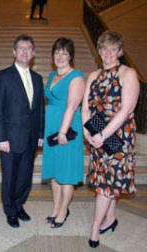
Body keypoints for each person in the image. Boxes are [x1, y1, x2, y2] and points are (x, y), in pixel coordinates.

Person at [82, 30, 140, 248]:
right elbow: (86, 108)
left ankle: (95, 228)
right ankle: (110, 219)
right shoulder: (93, 76)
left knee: (106, 184)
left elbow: (126, 109)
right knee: (106, 180)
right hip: (97, 131)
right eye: (104, 48)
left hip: (118, 135)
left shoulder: (128, 73)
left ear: (120, 51)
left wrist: (103, 135)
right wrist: (88, 133)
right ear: (99, 51)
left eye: (113, 48)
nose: (108, 53)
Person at [0, 34, 44, 228]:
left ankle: (19, 205)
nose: (24, 52)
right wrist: (0, 137)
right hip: (10, 139)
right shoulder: (2, 76)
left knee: (25, 177)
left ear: (33, 53)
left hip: (30, 138)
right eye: (20, 48)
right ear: (14, 52)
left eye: (28, 48)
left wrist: (40, 135)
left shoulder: (38, 79)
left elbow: (39, 110)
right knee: (10, 177)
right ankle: (10, 210)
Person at [42, 37, 85, 228]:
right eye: (57, 52)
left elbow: (72, 106)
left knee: (66, 173)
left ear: (71, 56)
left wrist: (62, 132)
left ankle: (63, 211)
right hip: (51, 127)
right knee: (54, 170)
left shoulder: (76, 77)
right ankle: (56, 206)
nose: (60, 56)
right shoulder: (52, 75)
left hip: (67, 130)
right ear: (53, 55)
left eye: (65, 53)